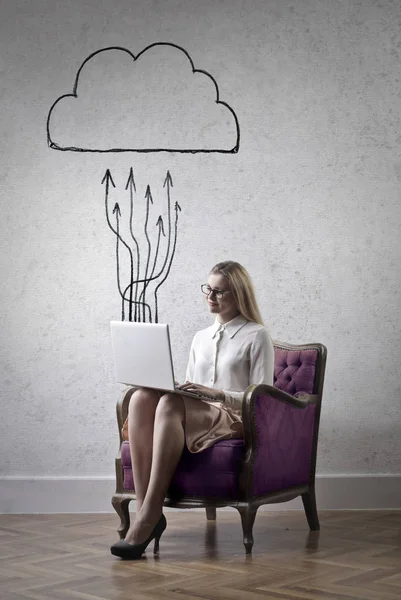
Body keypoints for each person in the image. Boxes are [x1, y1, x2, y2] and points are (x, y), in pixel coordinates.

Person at [110, 261, 274, 559]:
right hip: (198, 410)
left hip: (232, 416)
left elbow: (262, 395)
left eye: (219, 292)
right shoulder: (201, 337)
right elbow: (190, 387)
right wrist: (172, 385)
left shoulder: (256, 335)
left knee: (170, 404)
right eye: (208, 289)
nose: (210, 297)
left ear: (238, 294)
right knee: (141, 397)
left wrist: (219, 393)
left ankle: (149, 515)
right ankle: (145, 511)